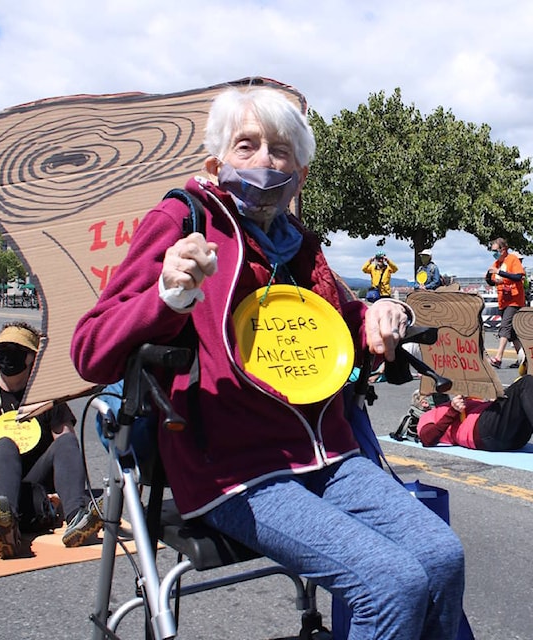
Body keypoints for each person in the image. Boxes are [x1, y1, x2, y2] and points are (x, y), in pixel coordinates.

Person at [71, 85, 464, 639]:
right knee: (390, 582)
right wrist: (167, 296)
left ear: (299, 173)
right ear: (216, 162)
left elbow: (340, 324)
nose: (263, 162)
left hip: (328, 456)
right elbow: (90, 350)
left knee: (442, 556)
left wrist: (382, 313)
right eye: (247, 145)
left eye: (280, 150)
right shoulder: (184, 223)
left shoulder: (301, 246)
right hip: (237, 469)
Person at [0, 322, 102, 558]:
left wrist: (75, 493)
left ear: (31, 358)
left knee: (66, 441)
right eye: (1, 350)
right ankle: (6, 524)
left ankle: (76, 518)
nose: (6, 357)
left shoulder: (46, 396)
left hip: (28, 483)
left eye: (15, 350)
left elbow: (67, 450)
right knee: (4, 444)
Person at [486, 238, 525, 369]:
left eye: (495, 251)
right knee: (513, 333)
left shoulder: (512, 259)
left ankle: (498, 357)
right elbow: (492, 281)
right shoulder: (496, 263)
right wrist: (488, 275)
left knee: (505, 326)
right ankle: (523, 360)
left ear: (503, 249)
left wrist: (500, 272)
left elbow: (518, 276)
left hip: (514, 300)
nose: (494, 253)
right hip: (503, 300)